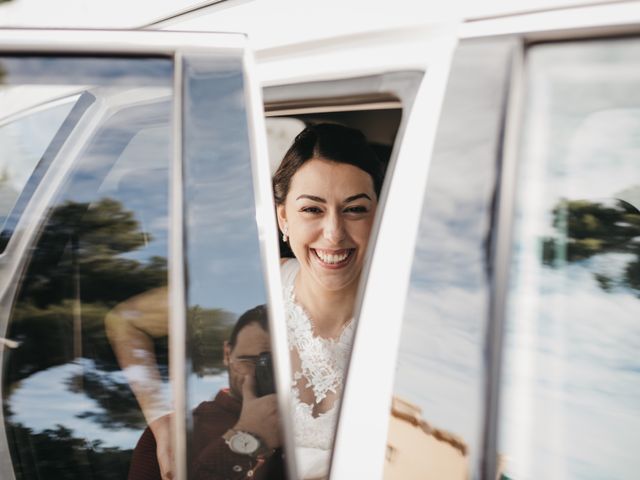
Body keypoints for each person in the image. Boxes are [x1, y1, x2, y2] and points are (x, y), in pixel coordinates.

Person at [272, 123, 384, 479]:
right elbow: (128, 320)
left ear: (380, 216)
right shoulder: (254, 286)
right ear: (283, 218)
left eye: (355, 209)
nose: (334, 233)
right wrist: (163, 418)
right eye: (312, 210)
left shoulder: (407, 312)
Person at [128, 305, 283, 480]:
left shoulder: (315, 421)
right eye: (248, 361)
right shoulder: (174, 432)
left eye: (275, 362)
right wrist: (244, 439)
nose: (261, 373)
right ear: (227, 353)